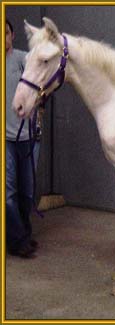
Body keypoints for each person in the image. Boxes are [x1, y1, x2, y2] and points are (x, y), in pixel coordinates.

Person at [6, 18, 41, 258]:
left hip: (28, 136)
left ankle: (24, 235)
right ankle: (18, 241)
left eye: (5, 33)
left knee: (27, 193)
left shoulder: (22, 59)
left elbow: (41, 82)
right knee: (7, 194)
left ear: (12, 35)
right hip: (4, 140)